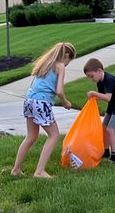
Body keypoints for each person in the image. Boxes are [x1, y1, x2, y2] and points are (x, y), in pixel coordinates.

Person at [11, 42, 76, 179]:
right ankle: (39, 172)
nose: (68, 63)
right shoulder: (60, 66)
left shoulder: (45, 62)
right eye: (70, 60)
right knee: (54, 135)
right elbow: (59, 90)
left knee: (31, 136)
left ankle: (16, 169)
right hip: (41, 103)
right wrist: (65, 102)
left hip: (29, 100)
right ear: (67, 56)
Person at [83, 57, 115, 163]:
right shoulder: (99, 81)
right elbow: (102, 96)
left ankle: (114, 156)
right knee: (104, 127)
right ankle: (106, 151)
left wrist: (94, 94)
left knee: (110, 129)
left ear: (99, 71)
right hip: (113, 104)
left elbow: (107, 97)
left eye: (91, 76)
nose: (91, 79)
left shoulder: (109, 80)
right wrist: (93, 99)